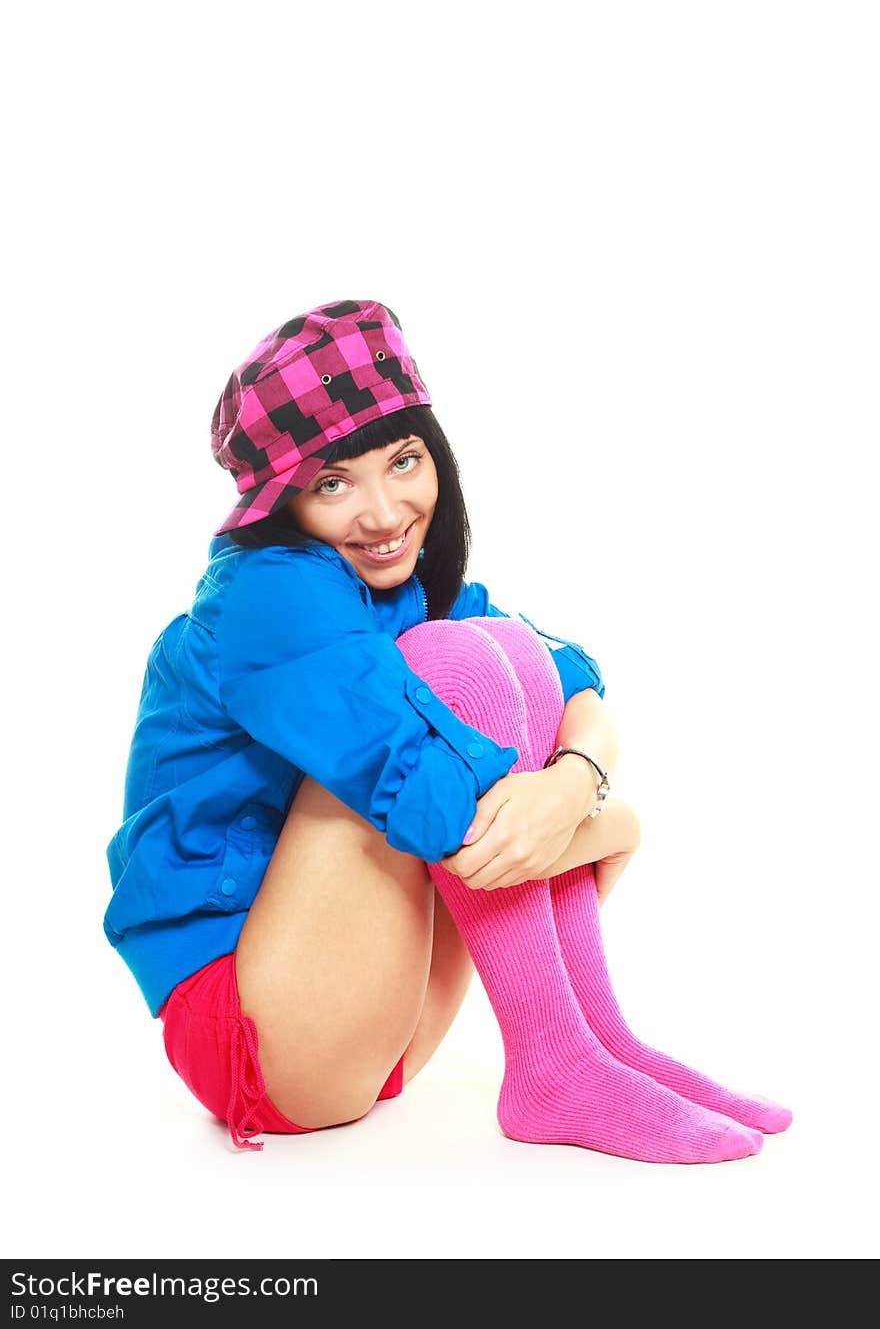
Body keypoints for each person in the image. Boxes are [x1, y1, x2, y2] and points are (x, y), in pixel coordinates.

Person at [104, 298, 791, 1160]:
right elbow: (416, 784)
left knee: (495, 648)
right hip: (257, 1035)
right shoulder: (265, 596)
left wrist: (578, 782)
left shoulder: (392, 589)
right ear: (282, 506)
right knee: (454, 674)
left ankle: (599, 1042)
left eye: (402, 461)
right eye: (332, 483)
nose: (385, 512)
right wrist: (603, 826)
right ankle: (555, 1062)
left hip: (372, 1022)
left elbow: (563, 670)